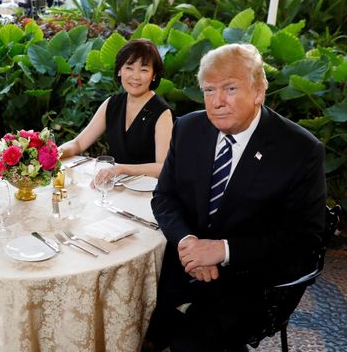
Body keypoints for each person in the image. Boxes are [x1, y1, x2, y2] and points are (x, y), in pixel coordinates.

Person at [145, 43, 326, 351]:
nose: (216, 102)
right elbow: (164, 197)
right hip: (187, 261)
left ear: (259, 90)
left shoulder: (300, 150)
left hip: (253, 278)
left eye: (230, 88)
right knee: (130, 311)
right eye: (209, 89)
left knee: (192, 343)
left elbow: (304, 239)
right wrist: (188, 242)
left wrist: (223, 250)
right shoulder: (188, 128)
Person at [59, 38, 173, 179]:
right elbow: (78, 143)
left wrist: (121, 169)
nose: (135, 76)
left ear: (154, 75)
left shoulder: (162, 112)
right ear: (120, 70)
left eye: (144, 70)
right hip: (113, 185)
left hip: (147, 192)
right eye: (129, 68)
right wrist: (55, 153)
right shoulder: (112, 103)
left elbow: (162, 167)